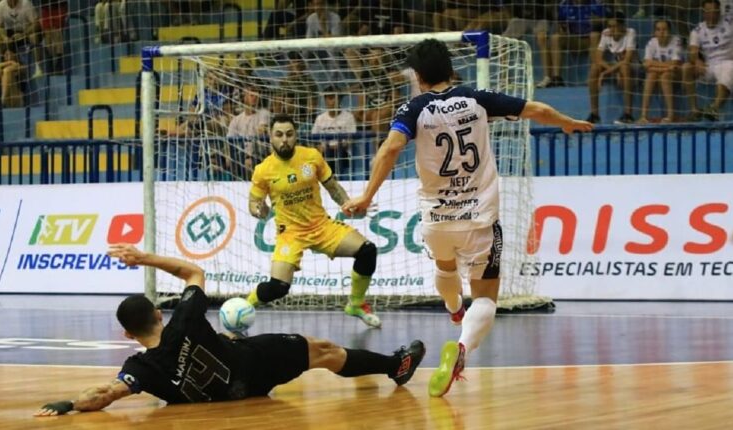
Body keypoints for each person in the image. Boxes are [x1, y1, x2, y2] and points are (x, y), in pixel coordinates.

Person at [341, 38, 593, 397]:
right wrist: (566, 122)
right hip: (479, 220)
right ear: (449, 70)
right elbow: (535, 109)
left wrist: (367, 195)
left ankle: (455, 308)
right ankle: (461, 347)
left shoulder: (413, 108)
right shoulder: (477, 98)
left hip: (437, 220)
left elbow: (391, 147)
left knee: (445, 268)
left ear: (419, 75)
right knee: (488, 298)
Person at [34, 244, 425, 416]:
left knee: (244, 344)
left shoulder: (141, 367)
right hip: (254, 367)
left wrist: (68, 404)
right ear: (157, 313)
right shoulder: (184, 319)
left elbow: (106, 394)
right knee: (320, 349)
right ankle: (396, 365)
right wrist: (143, 258)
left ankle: (394, 365)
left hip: (228, 394)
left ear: (126, 334)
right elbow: (193, 272)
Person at [246, 113, 382, 329]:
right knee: (278, 287)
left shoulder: (311, 156)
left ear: (296, 135)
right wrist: (260, 210)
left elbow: (332, 186)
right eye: (279, 135)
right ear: (270, 138)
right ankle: (244, 307)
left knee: (367, 251)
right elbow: (254, 204)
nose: (284, 140)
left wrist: (348, 204)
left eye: (289, 134)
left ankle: (356, 304)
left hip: (321, 226)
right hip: (290, 234)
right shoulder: (263, 170)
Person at [682, 0, 733, 122]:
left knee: (729, 68)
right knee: (686, 67)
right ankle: (694, 110)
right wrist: (697, 60)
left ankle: (714, 108)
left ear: (719, 11)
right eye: (708, 11)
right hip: (708, 66)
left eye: (714, 11)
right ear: (703, 12)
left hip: (727, 61)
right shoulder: (698, 30)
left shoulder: (729, 22)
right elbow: (692, 51)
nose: (711, 15)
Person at [586, 11, 637, 124]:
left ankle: (628, 114)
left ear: (622, 26)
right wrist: (612, 71)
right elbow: (598, 58)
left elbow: (627, 60)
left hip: (632, 67)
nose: (612, 29)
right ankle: (594, 114)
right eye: (610, 26)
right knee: (594, 68)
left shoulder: (630, 32)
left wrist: (605, 73)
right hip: (614, 66)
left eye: (615, 26)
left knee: (624, 67)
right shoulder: (605, 33)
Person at [638, 19, 683, 124]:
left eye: (665, 29)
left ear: (670, 31)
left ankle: (670, 115)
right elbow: (646, 65)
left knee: (664, 76)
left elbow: (675, 64)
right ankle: (644, 116)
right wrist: (667, 66)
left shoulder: (676, 41)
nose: (662, 32)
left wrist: (655, 64)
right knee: (651, 75)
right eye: (658, 30)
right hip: (663, 71)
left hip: (677, 74)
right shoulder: (652, 42)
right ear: (655, 32)